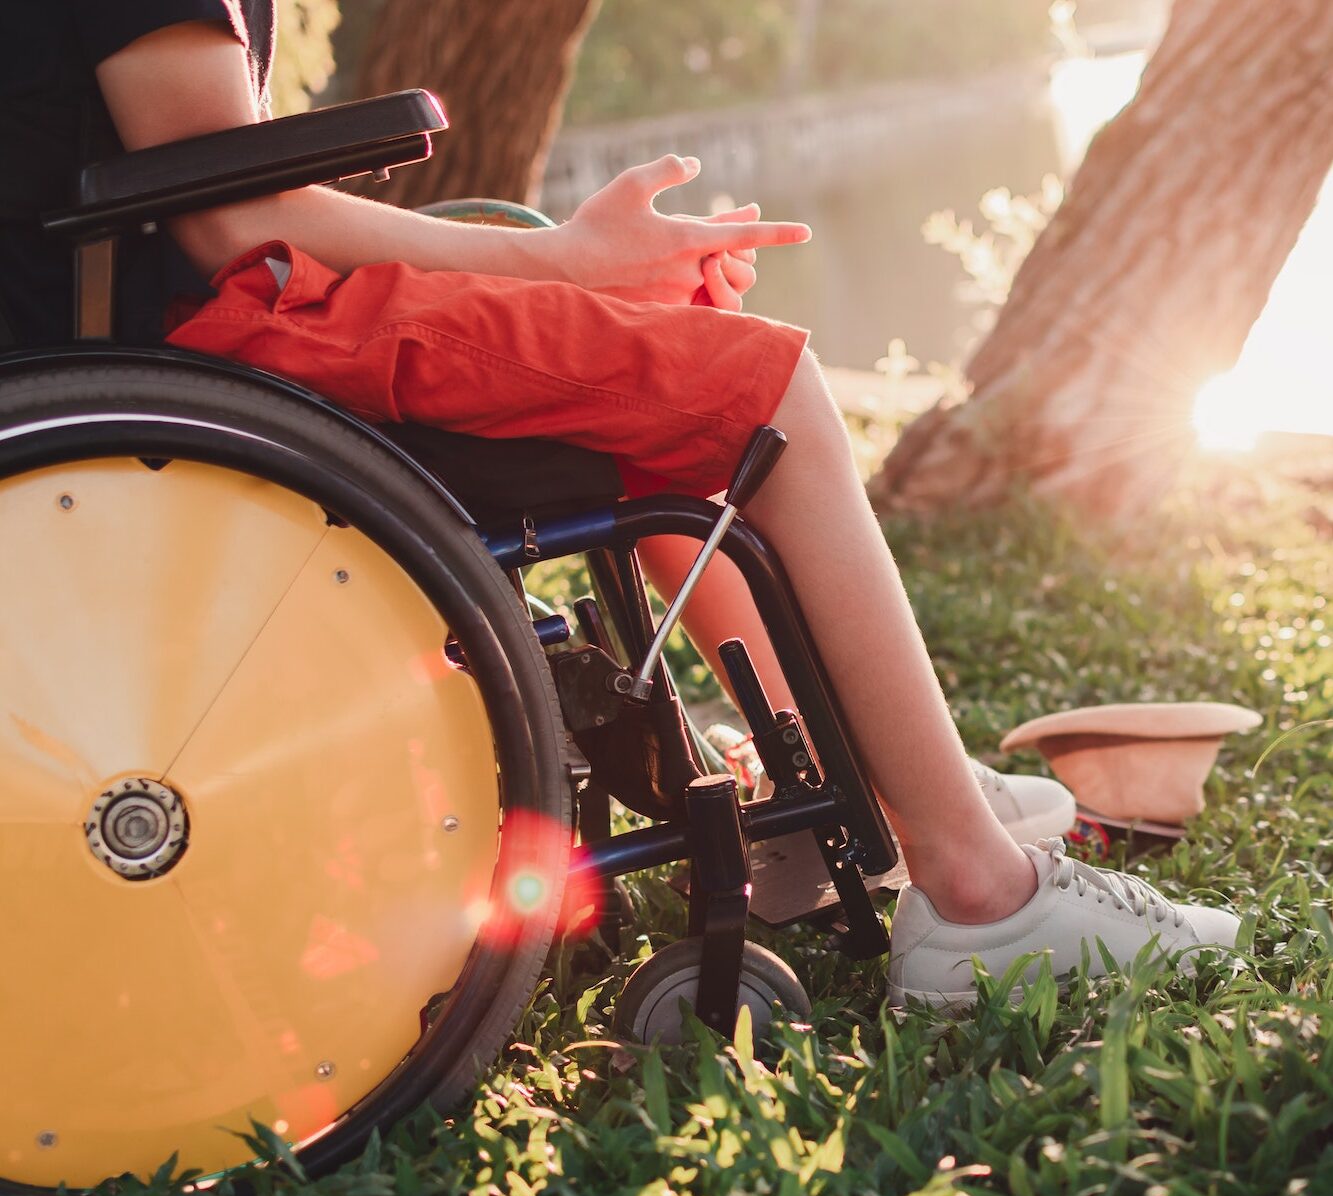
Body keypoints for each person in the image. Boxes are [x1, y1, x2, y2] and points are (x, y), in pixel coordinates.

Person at [0, 2, 1239, 1009]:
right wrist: (566, 265)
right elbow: (229, 217)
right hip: (209, 347)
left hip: (178, 328)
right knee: (770, 387)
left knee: (666, 329)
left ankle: (837, 783)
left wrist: (583, 269)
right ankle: (976, 892)